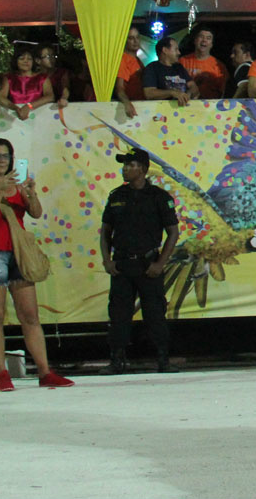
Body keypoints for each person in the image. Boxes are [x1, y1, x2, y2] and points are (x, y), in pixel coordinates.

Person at [0, 138, 73, 391]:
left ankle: (45, 371)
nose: (2, 161)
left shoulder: (16, 185)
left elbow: (36, 213)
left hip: (18, 253)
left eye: (6, 156)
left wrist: (30, 193)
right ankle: (2, 373)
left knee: (30, 315)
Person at [100, 148, 181, 374]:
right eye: (124, 164)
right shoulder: (116, 196)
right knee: (118, 314)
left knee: (155, 313)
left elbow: (173, 233)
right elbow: (105, 231)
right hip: (122, 264)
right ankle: (116, 360)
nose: (125, 168)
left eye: (130, 164)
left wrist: (160, 263)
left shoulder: (159, 197)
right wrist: (107, 260)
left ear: (143, 169)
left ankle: (163, 360)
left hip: (148, 265)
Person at [0, 46, 54, 120]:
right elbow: (0, 97)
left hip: (38, 118)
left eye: (29, 59)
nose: (26, 61)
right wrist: (15, 108)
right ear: (16, 61)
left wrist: (29, 106)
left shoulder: (42, 78)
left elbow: (50, 96)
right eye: (22, 58)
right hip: (15, 117)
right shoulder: (9, 78)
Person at [143, 36, 199, 106]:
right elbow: (149, 93)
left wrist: (189, 94)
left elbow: (193, 86)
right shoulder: (152, 68)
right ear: (165, 50)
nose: (179, 53)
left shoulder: (179, 67)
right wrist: (172, 93)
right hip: (161, 113)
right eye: (176, 49)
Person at [179, 26, 227, 99]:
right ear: (195, 40)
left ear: (211, 44)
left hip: (209, 107)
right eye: (201, 37)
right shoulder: (182, 61)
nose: (204, 40)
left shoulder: (219, 66)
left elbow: (223, 91)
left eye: (208, 38)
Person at [116, 27, 145, 118]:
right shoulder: (123, 59)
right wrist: (126, 102)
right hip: (131, 108)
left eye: (137, 37)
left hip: (141, 105)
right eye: (131, 38)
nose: (135, 41)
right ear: (125, 41)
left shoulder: (138, 60)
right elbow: (119, 87)